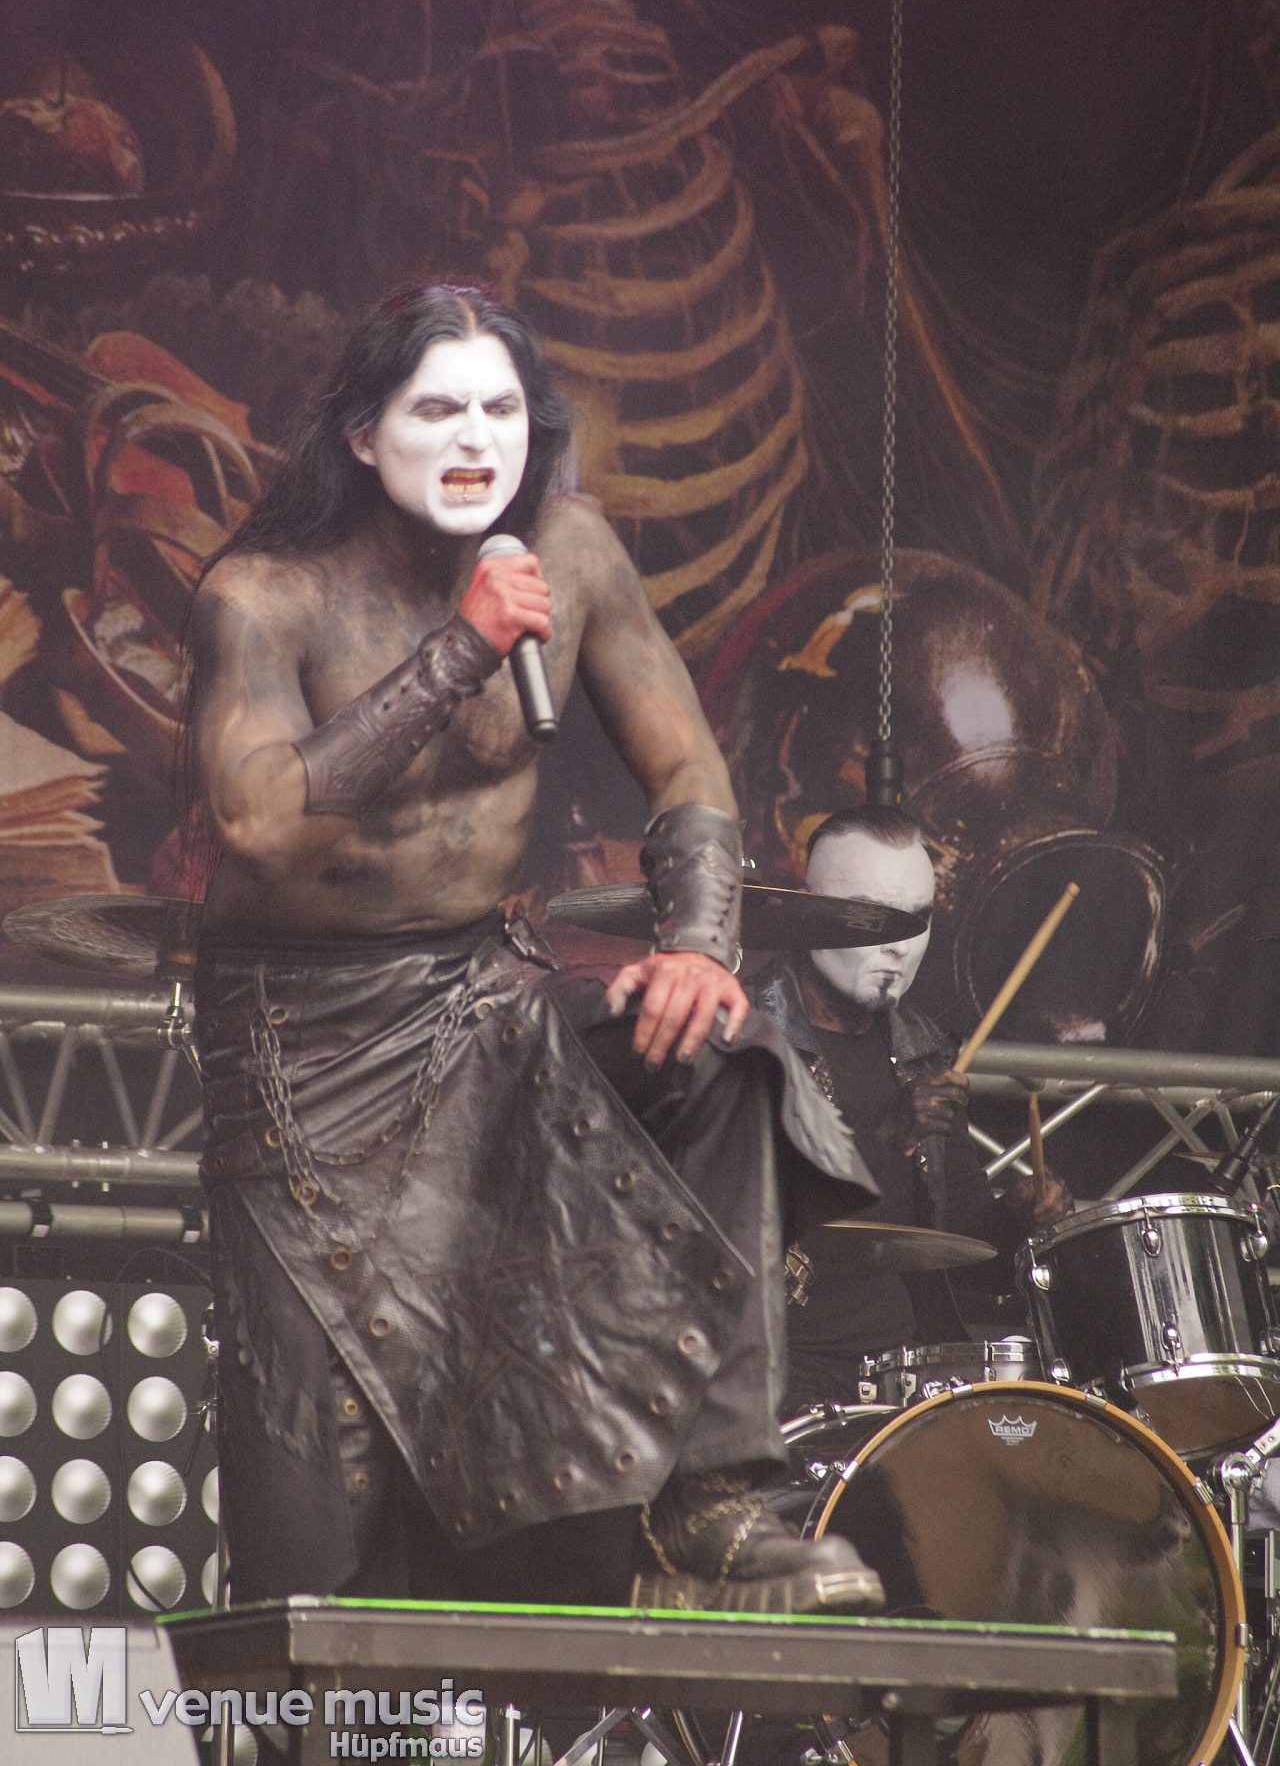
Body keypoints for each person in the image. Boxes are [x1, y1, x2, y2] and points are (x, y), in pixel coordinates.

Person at [183, 281, 887, 1616]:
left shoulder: (572, 552)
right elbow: (258, 822)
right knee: (313, 1556)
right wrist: (463, 648)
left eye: (501, 410)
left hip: (479, 997)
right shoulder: (263, 595)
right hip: (304, 1052)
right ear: (363, 436)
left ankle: (715, 1502)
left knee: (724, 1056)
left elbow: (686, 765)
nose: (474, 439)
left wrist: (699, 944)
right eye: (436, 409)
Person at [749, 805, 1071, 1412]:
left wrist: (1018, 1218)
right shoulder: (742, 1035)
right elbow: (742, 1224)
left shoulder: (921, 1049)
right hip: (774, 1377)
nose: (898, 946)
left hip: (910, 1374)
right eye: (876, 917)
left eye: (917, 920)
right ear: (808, 910)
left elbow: (959, 1247)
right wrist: (888, 1134)